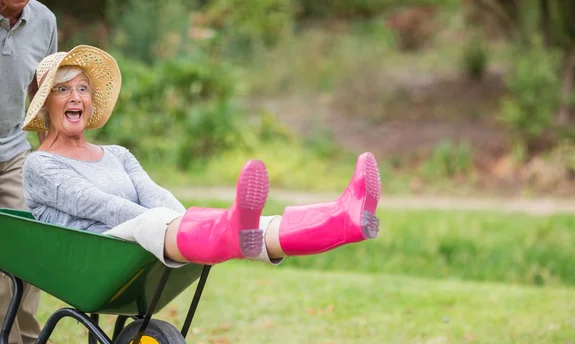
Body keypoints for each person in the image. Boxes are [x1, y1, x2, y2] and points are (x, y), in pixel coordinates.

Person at [21, 45, 381, 275]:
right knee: (165, 222)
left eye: (83, 88)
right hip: (97, 255)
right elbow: (99, 206)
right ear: (46, 103)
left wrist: (187, 221)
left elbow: (153, 193)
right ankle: (228, 229)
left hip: (141, 244)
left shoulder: (117, 154)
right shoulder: (40, 165)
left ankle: (342, 219)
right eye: (63, 89)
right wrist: (178, 225)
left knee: (247, 225)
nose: (76, 97)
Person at [0, 0, 75, 344]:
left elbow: (40, 89)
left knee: (28, 243)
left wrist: (49, 151)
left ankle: (28, 342)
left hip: (13, 149)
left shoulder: (43, 19)